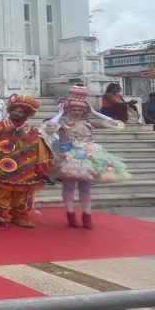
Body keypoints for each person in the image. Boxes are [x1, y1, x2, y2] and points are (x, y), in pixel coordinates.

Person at [45, 85, 131, 229]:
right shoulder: (62, 123)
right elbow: (50, 126)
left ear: (84, 111)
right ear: (68, 110)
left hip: (88, 158)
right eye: (73, 109)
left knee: (85, 188)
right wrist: (60, 112)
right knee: (68, 187)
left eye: (80, 110)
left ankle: (87, 217)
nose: (77, 112)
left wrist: (94, 112)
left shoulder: (89, 123)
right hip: (67, 158)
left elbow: (114, 123)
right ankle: (71, 216)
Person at [0, 95, 51, 228]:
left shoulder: (32, 131)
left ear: (26, 115)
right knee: (3, 191)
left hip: (26, 168)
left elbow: (38, 148)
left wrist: (39, 164)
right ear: (10, 110)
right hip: (4, 166)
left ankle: (18, 215)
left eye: (20, 111)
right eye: (14, 110)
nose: (16, 113)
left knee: (22, 193)